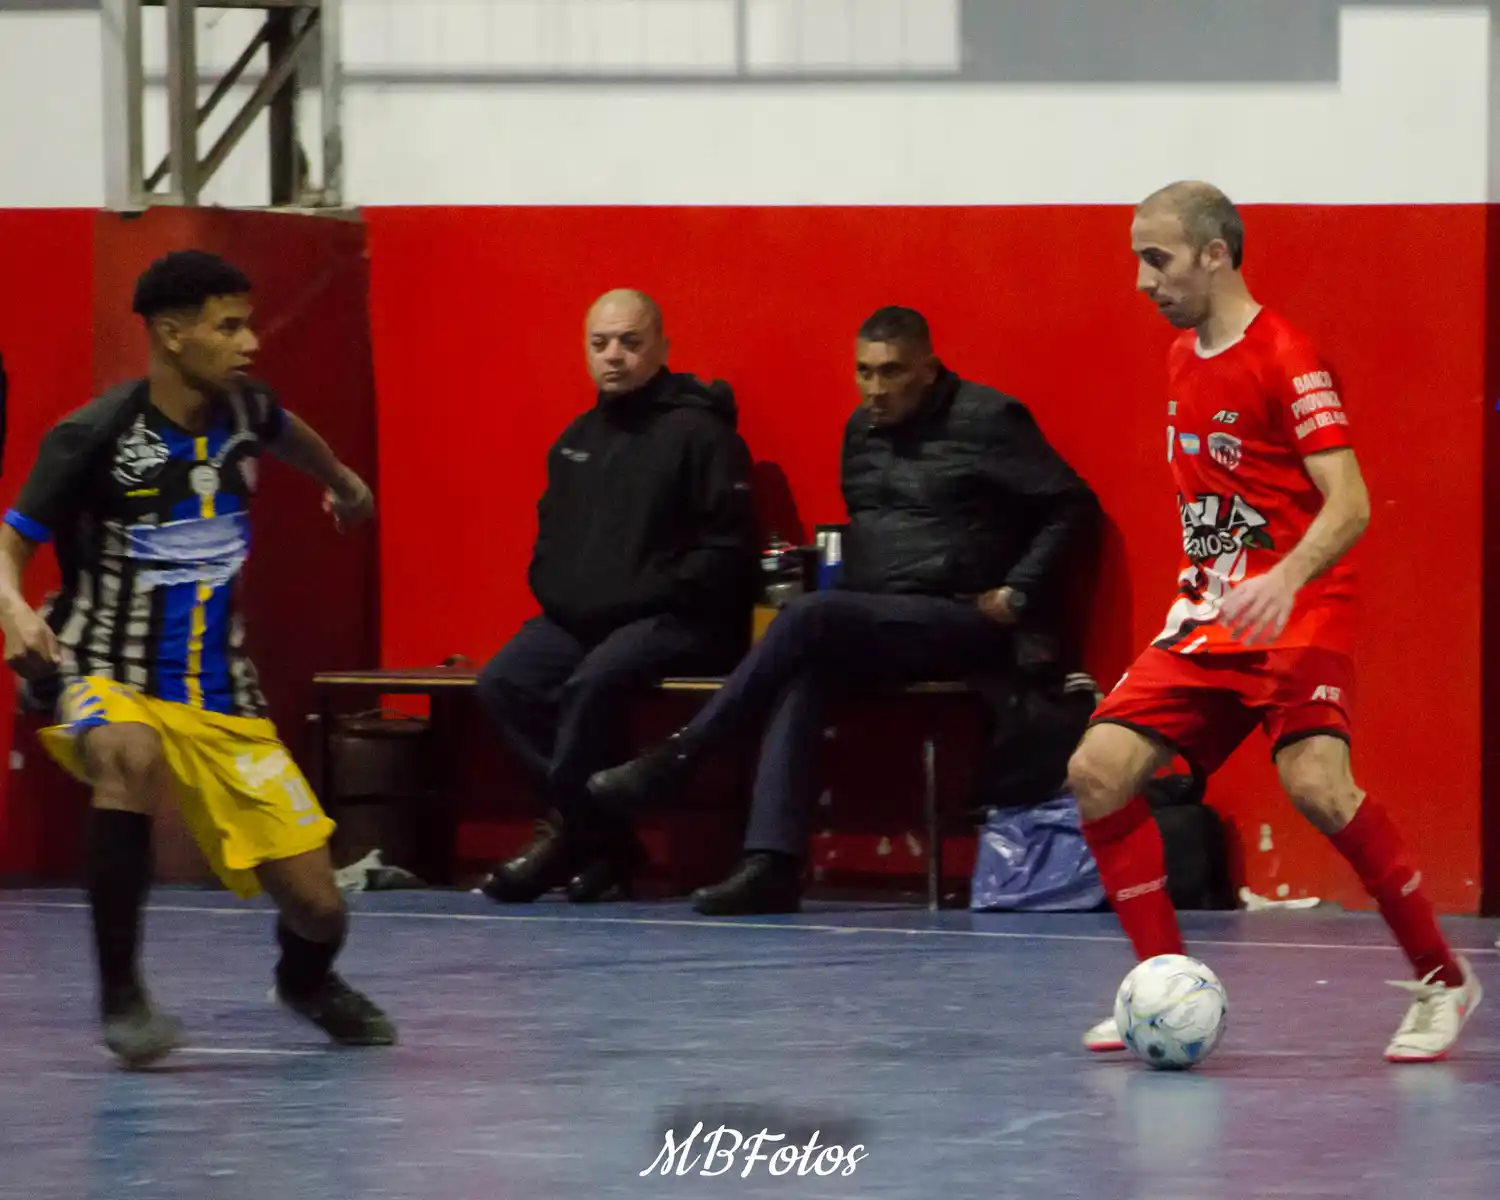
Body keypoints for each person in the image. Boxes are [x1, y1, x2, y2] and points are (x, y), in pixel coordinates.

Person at [1070, 181, 1479, 1063]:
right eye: (1137, 257)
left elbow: (1353, 502)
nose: (1142, 279)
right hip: (1211, 613)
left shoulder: (1287, 356)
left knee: (1318, 789)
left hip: (1298, 608)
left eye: (1158, 257)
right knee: (1098, 771)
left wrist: (1287, 577)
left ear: (1216, 254)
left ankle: (1445, 981)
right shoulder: (1183, 356)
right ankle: (1163, 986)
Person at [0, 250, 395, 1068]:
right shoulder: (94, 435)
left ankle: (306, 981)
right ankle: (123, 995)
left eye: (248, 322)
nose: (250, 340)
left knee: (320, 908)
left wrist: (344, 482)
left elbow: (296, 435)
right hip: (108, 670)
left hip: (224, 695)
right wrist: (12, 613)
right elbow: (7, 549)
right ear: (173, 336)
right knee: (128, 754)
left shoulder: (247, 409)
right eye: (230, 325)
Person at [588, 306, 1100, 915]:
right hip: (884, 620)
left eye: (891, 372)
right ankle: (771, 864)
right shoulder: (862, 430)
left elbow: (1071, 505)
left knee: (807, 618)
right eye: (864, 372)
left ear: (928, 370)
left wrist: (1018, 591)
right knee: (803, 664)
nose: (876, 389)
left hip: (964, 621)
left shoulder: (989, 420)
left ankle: (681, 757)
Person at [476, 289, 759, 904]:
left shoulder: (701, 433)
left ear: (661, 347)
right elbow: (548, 542)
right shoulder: (575, 440)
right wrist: (564, 596)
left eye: (630, 342)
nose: (614, 357)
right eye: (600, 343)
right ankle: (600, 838)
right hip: (578, 621)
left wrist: (646, 595)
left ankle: (569, 839)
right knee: (502, 681)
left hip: (678, 619)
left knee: (589, 684)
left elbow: (727, 552)